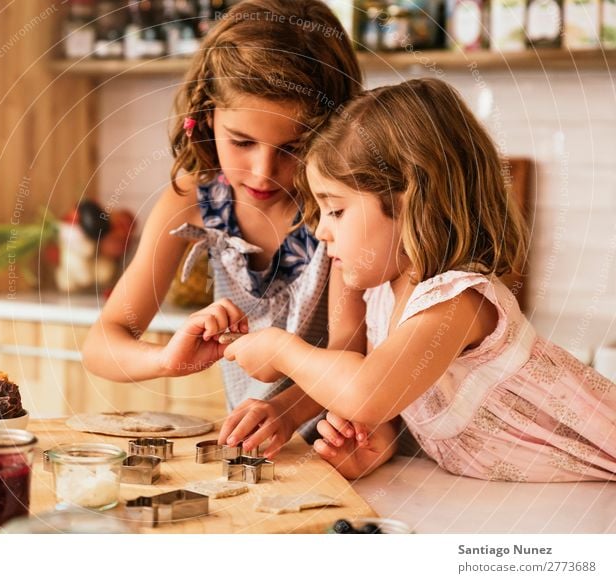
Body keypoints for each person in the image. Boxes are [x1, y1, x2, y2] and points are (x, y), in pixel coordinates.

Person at [224, 78, 616, 481]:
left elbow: (368, 393)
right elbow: (386, 394)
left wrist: (280, 349)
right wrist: (379, 443)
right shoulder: (377, 291)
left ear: (411, 203)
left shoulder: (458, 303)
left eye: (336, 211)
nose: (321, 231)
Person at [83, 0, 368, 457]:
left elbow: (348, 351)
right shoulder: (193, 200)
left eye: (293, 148)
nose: (263, 173)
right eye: (242, 142)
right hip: (256, 451)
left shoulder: (339, 210)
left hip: (352, 444)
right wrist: (164, 359)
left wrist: (288, 413)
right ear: (206, 114)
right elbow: (104, 341)